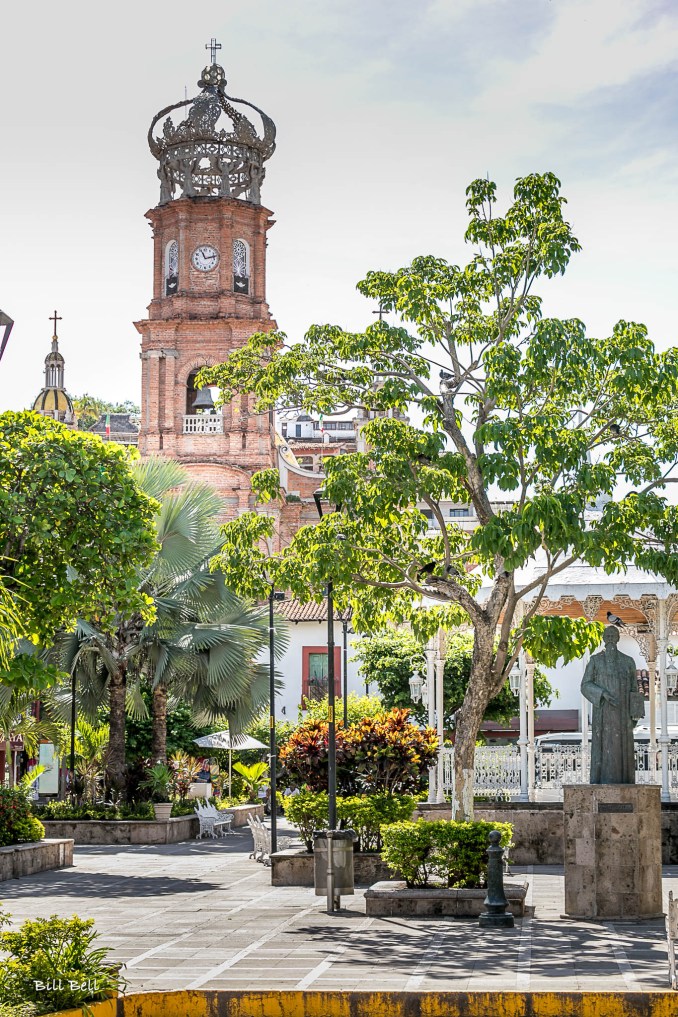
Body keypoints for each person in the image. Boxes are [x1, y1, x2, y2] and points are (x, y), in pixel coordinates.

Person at [581, 626, 646, 783]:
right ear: (603, 638)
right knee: (603, 748)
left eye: (613, 635)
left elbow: (634, 690)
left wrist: (635, 714)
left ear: (618, 638)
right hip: (602, 713)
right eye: (607, 635)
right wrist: (602, 693)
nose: (610, 637)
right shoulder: (595, 661)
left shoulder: (628, 661)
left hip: (622, 715)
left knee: (621, 751)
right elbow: (585, 685)